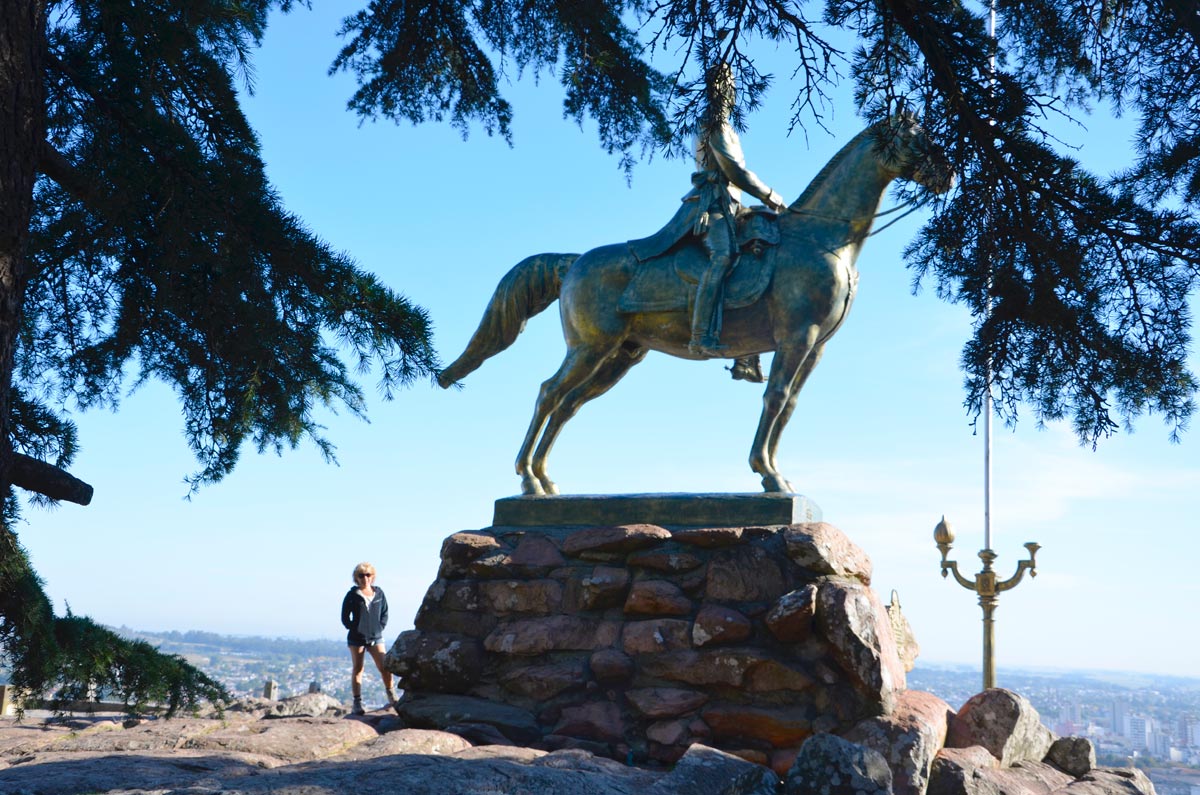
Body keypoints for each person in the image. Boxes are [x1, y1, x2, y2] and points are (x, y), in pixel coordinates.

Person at [629, 63, 787, 366]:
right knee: (723, 256)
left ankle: (747, 352)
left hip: (731, 208)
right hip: (710, 206)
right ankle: (701, 335)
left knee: (763, 243)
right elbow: (735, 172)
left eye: (730, 85)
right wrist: (771, 196)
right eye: (724, 85)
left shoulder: (726, 125)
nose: (729, 91)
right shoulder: (714, 124)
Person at [340, 562, 396, 714]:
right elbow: (345, 616)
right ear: (356, 578)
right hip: (356, 639)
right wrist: (354, 627)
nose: (365, 578)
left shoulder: (379, 593)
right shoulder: (352, 595)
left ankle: (392, 696)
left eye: (368, 575)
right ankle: (357, 703)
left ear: (373, 577)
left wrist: (379, 627)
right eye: (361, 575)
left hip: (376, 637)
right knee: (358, 668)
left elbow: (385, 613)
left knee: (385, 667)